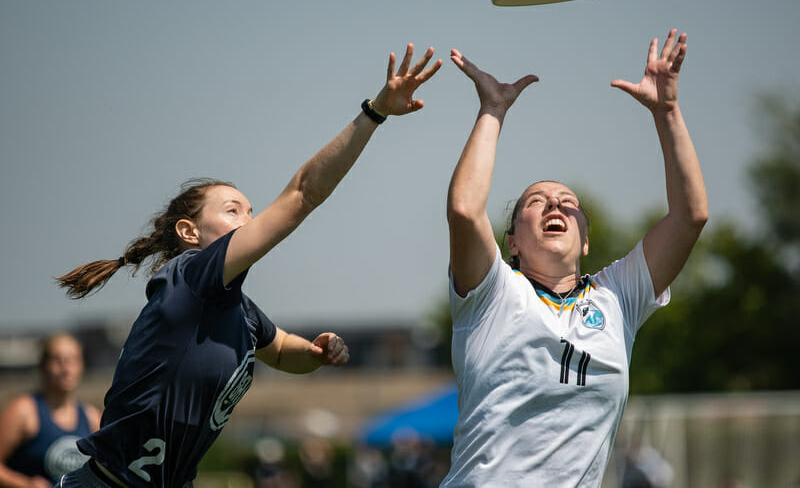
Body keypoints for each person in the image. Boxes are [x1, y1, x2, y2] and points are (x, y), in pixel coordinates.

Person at [54, 43, 442, 488]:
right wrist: (374, 112)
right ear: (189, 231)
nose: (250, 220)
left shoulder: (239, 309)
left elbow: (279, 350)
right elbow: (302, 194)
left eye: (251, 211)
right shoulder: (191, 277)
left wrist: (314, 353)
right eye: (233, 209)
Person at [442, 29, 707, 486]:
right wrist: (492, 111)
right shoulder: (492, 295)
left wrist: (667, 112)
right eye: (536, 201)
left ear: (585, 241)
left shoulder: (616, 297)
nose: (556, 204)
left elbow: (690, 216)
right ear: (512, 244)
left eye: (568, 201)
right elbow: (465, 211)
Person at [0, 333, 102, 487]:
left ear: (82, 366)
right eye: (57, 360)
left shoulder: (92, 417)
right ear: (42, 366)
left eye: (72, 360)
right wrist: (25, 484)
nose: (65, 368)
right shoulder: (23, 411)